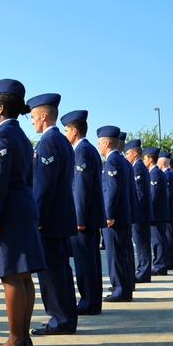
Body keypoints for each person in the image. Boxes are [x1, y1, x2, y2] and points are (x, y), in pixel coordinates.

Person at [0, 79, 46, 346]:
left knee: (11, 277)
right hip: (24, 208)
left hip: (8, 213)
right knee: (23, 276)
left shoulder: (2, 137)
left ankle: (15, 338)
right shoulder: (21, 135)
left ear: (2, 108)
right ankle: (23, 337)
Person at [27, 93, 79, 336]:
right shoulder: (62, 142)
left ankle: (60, 320)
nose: (32, 122)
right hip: (61, 216)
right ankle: (66, 317)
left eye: (33, 117)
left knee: (52, 273)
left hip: (51, 219)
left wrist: (38, 218)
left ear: (44, 116)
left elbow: (45, 185)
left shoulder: (48, 142)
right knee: (61, 270)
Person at [61, 110, 106, 315]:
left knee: (85, 263)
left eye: (66, 130)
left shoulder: (82, 151)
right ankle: (92, 300)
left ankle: (89, 302)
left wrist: (78, 218)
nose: (65, 134)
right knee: (90, 261)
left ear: (75, 131)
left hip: (84, 219)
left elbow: (81, 187)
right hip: (90, 217)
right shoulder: (88, 150)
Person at [97, 125, 135, 302]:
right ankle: (124, 287)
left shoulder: (112, 161)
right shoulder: (124, 162)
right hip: (124, 215)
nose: (98, 147)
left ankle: (120, 290)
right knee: (124, 253)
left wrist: (108, 214)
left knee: (116, 255)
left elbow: (111, 191)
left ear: (106, 143)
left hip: (115, 217)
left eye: (99, 143)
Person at [124, 139, 152, 283]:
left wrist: (135, 211)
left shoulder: (138, 168)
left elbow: (139, 193)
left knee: (141, 243)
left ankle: (143, 272)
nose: (126, 157)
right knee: (143, 243)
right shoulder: (140, 167)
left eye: (128, 154)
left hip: (140, 213)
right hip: (143, 213)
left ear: (135, 154)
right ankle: (144, 270)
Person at [143, 147, 169, 276]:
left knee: (157, 240)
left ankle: (160, 265)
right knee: (159, 239)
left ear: (150, 159)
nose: (144, 161)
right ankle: (160, 264)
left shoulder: (155, 174)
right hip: (159, 213)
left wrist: (148, 212)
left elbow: (153, 196)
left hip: (157, 214)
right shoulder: (157, 173)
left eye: (145, 158)